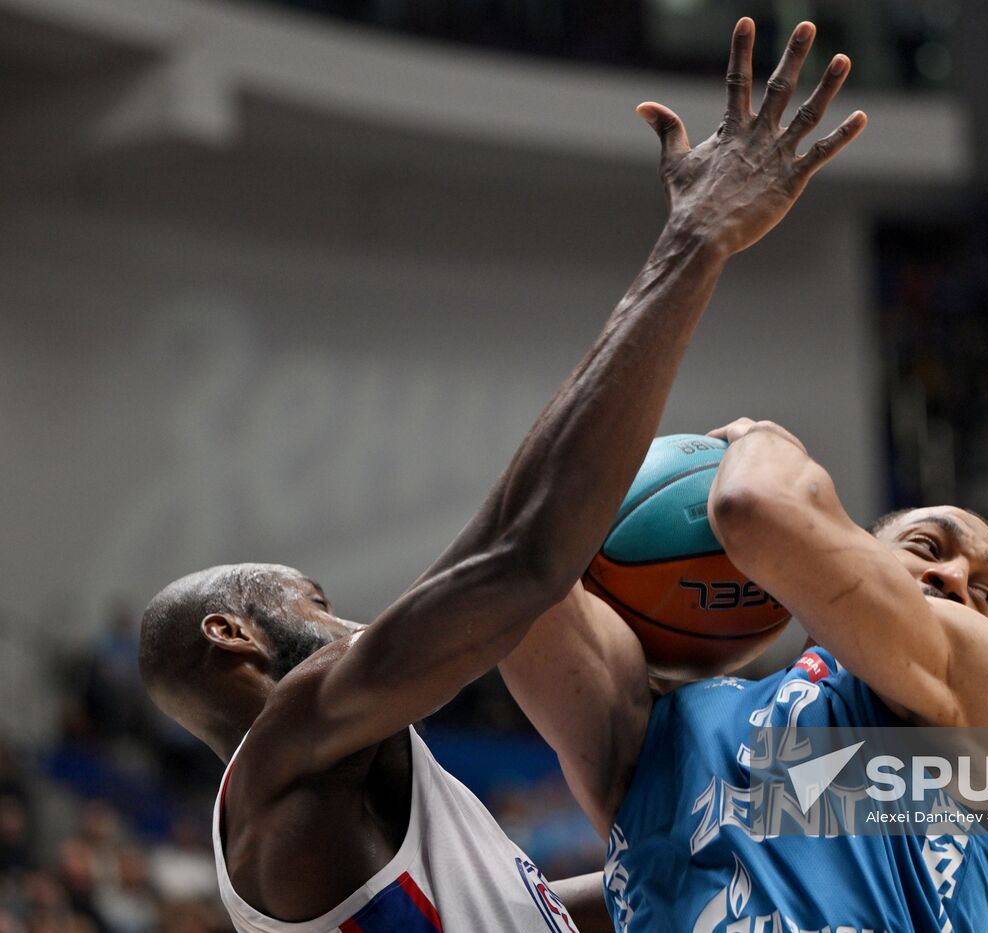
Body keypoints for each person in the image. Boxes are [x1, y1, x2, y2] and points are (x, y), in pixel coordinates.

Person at [136, 17, 867, 932]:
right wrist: (697, 240)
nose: (347, 617)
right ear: (234, 635)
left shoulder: (347, 815)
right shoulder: (290, 749)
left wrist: (727, 844)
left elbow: (543, 915)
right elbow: (525, 558)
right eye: (311, 600)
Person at [502, 415, 988, 931]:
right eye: (927, 545)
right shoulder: (675, 724)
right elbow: (517, 571)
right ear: (854, 551)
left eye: (984, 592)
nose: (953, 577)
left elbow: (751, 505)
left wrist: (761, 439)